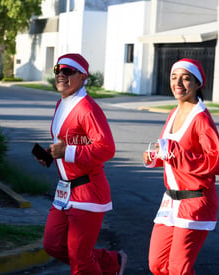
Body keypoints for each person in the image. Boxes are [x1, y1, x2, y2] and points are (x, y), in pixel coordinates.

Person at [40, 53, 127, 275]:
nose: (61, 75)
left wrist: (67, 152)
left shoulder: (87, 108)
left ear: (83, 76)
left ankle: (109, 264)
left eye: (68, 71)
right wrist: (51, 155)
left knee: (80, 259)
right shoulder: (62, 102)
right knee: (53, 244)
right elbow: (67, 142)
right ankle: (112, 263)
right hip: (65, 191)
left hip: (88, 192)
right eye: (58, 70)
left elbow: (106, 148)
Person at [143, 58, 219, 275]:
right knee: (158, 265)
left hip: (195, 201)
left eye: (186, 78)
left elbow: (216, 162)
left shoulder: (201, 119)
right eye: (174, 77)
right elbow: (169, 152)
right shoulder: (173, 113)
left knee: (179, 269)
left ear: (198, 84)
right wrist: (155, 157)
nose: (178, 82)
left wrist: (174, 153)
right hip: (170, 201)